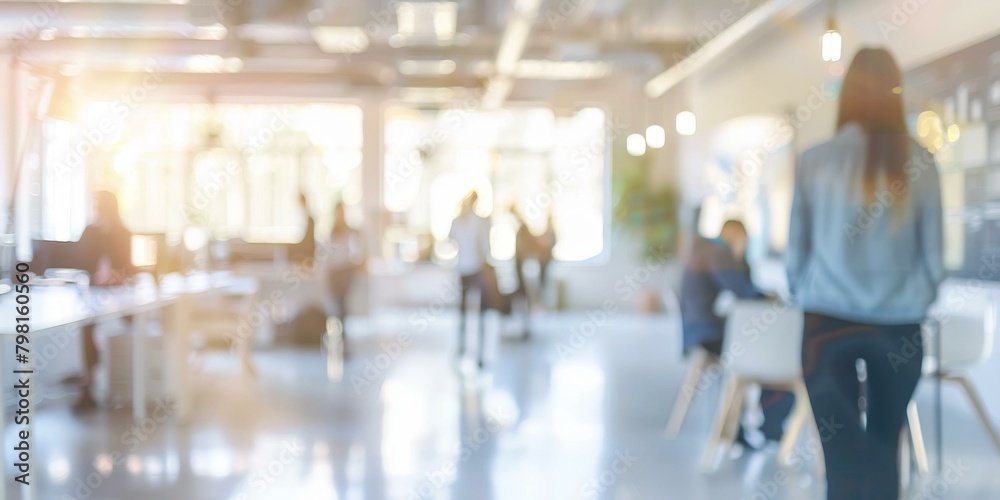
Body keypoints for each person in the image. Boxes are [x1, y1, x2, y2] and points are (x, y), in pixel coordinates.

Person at [786, 48, 943, 500]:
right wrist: (921, 295)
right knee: (883, 447)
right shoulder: (921, 161)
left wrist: (804, 290)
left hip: (825, 322)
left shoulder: (815, 160)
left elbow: (797, 249)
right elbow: (933, 251)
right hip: (900, 324)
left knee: (842, 456)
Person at [680, 219, 793, 445]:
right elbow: (745, 292)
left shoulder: (705, 250)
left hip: (699, 334)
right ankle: (769, 426)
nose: (745, 244)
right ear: (736, 237)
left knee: (765, 351)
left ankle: (739, 428)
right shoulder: (717, 254)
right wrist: (740, 258)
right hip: (708, 336)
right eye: (744, 240)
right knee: (777, 357)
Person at [75, 191, 135, 410]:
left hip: (121, 294)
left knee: (135, 321)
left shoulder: (123, 233)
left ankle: (134, 382)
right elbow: (80, 261)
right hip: (95, 292)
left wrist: (117, 275)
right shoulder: (90, 232)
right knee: (86, 324)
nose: (95, 208)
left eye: (98, 204)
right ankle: (89, 385)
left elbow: (128, 267)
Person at [449, 191, 491, 368]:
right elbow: (486, 247)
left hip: (463, 269)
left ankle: (462, 347)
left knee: (463, 310)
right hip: (477, 270)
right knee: (480, 312)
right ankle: (478, 352)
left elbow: (450, 240)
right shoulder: (480, 221)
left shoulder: (458, 220)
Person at [318, 202, 364, 358]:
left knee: (342, 306)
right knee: (336, 307)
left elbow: (359, 249)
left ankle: (344, 343)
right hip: (334, 273)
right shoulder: (331, 232)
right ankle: (336, 340)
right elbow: (326, 257)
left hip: (346, 272)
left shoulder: (350, 231)